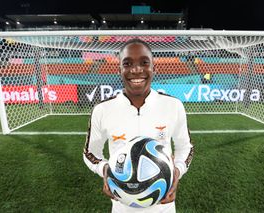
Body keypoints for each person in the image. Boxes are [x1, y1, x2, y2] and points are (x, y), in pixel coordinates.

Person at [83, 38, 194, 213]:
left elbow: (185, 147)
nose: (136, 70)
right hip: (122, 206)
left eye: (144, 63)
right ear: (119, 69)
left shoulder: (173, 106)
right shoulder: (102, 110)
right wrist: (105, 170)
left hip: (163, 207)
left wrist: (177, 171)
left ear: (153, 69)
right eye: (127, 63)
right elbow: (90, 152)